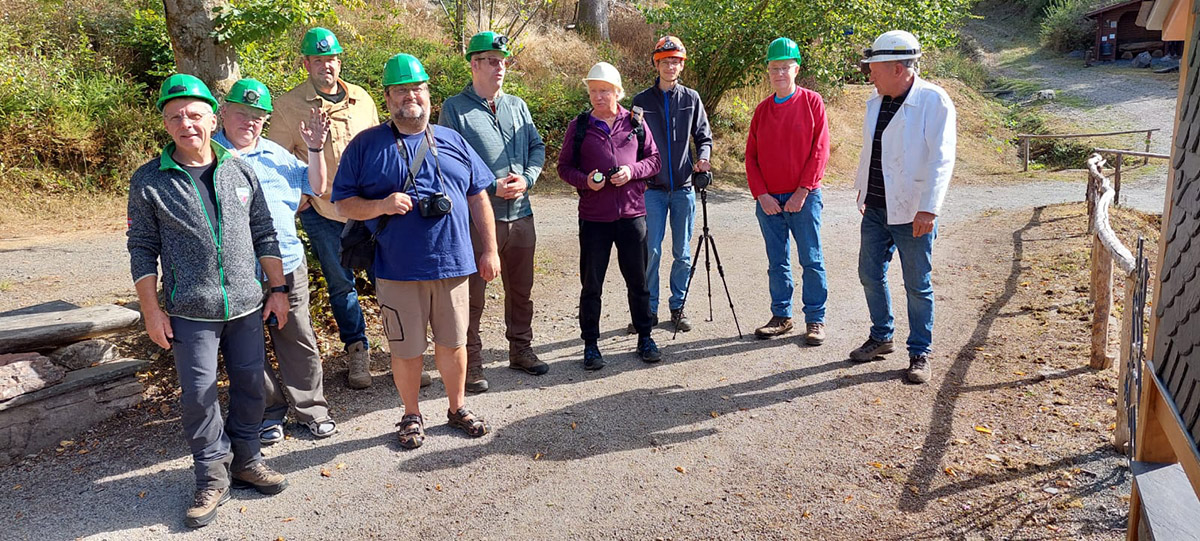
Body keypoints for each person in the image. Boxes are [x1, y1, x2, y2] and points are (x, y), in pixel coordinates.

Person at [127, 74, 289, 528]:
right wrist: (151, 310)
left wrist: (277, 290)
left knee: (251, 387)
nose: (186, 123)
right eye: (175, 116)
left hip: (246, 305)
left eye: (195, 114)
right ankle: (210, 476)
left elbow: (264, 232)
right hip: (187, 309)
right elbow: (141, 247)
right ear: (165, 123)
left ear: (212, 119)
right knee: (199, 396)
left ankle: (247, 460)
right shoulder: (149, 180)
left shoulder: (239, 169)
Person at [332, 53, 498, 449]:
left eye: (418, 88)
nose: (412, 96)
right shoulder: (366, 145)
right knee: (406, 349)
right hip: (397, 268)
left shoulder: (452, 140)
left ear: (429, 93)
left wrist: (489, 250)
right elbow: (343, 204)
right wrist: (382, 206)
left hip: (454, 263)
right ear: (388, 97)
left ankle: (456, 408)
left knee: (454, 343)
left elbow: (478, 196)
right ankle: (411, 414)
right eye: (402, 89)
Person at [269, 27, 412, 390]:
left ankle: (402, 353)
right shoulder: (288, 106)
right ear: (306, 64)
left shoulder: (362, 98)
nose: (327, 67)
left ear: (339, 61)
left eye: (332, 59)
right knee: (342, 285)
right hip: (325, 213)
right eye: (319, 60)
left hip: (372, 210)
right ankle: (357, 350)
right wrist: (297, 200)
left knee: (390, 280)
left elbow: (383, 144)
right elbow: (276, 161)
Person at [214, 78, 338, 443]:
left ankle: (312, 409)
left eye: (258, 116)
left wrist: (315, 149)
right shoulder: (209, 157)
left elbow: (315, 188)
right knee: (246, 344)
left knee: (297, 336)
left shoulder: (277, 155)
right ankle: (269, 412)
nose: (249, 122)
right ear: (223, 113)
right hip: (236, 268)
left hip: (285, 262)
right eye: (242, 113)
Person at [438, 31, 549, 393]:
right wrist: (488, 186)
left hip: (521, 214)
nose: (499, 67)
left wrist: (529, 178)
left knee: (523, 291)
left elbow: (536, 146)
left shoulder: (517, 105)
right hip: (477, 218)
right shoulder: (454, 108)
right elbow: (448, 162)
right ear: (473, 64)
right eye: (491, 61)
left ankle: (521, 349)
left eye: (502, 61)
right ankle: (471, 364)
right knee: (471, 296)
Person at [850, 30, 956, 384]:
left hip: (914, 212)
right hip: (877, 208)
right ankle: (882, 336)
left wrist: (930, 208)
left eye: (874, 68)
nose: (870, 74)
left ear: (897, 68)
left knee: (916, 284)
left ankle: (919, 351)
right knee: (869, 274)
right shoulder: (875, 102)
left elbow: (942, 160)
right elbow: (871, 153)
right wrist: (863, 190)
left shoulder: (933, 101)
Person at [557, 62, 663, 370]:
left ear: (618, 92)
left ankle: (645, 337)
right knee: (592, 284)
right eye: (593, 91)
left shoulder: (636, 122)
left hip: (632, 214)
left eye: (604, 90)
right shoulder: (579, 126)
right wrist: (585, 181)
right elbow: (564, 168)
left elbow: (654, 160)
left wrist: (632, 171)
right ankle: (591, 345)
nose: (598, 96)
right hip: (594, 218)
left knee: (638, 281)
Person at [745, 37, 831, 346]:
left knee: (811, 259)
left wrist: (803, 191)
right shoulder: (762, 110)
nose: (779, 73)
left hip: (803, 199)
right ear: (768, 71)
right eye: (774, 68)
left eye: (785, 67)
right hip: (769, 201)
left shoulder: (812, 102)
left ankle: (815, 319)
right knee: (777, 260)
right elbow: (751, 157)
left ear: (796, 69)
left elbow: (820, 150)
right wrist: (762, 195)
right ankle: (781, 315)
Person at [631, 35, 713, 334]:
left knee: (682, 252)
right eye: (666, 61)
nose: (671, 66)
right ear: (657, 63)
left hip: (683, 189)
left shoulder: (691, 98)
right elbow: (633, 141)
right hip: (651, 190)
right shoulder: (641, 101)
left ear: (682, 65)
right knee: (650, 251)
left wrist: (703, 159)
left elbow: (704, 137)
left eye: (676, 61)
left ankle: (677, 306)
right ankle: (648, 309)